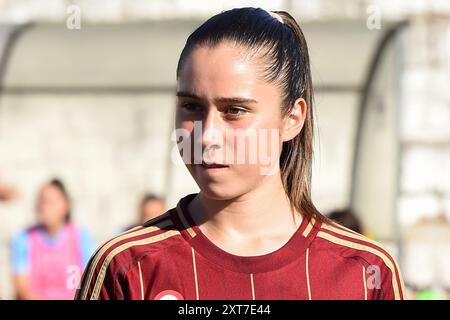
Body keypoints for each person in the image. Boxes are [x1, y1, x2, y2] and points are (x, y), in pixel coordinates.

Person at [76, 7, 406, 300]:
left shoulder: (366, 273)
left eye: (234, 110)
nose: (207, 136)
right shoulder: (126, 266)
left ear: (292, 118)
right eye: (191, 106)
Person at [11, 178, 96, 300]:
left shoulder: (81, 236)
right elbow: (22, 288)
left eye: (51, 202)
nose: (45, 207)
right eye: (42, 201)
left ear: (66, 206)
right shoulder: (24, 238)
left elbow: (88, 281)